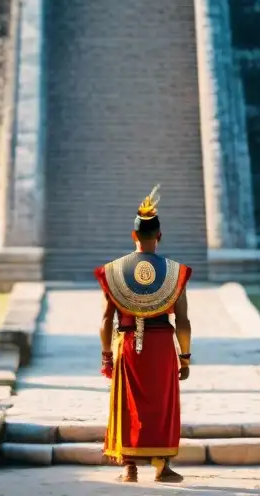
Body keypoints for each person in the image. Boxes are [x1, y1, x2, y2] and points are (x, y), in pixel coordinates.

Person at [95, 185, 192, 484]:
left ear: (133, 235)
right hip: (163, 346)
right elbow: (184, 322)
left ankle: (129, 467)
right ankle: (162, 466)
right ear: (159, 236)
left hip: (127, 345)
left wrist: (106, 357)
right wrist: (185, 357)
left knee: (128, 404)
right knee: (162, 406)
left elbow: (104, 321)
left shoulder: (114, 271)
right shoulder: (174, 273)